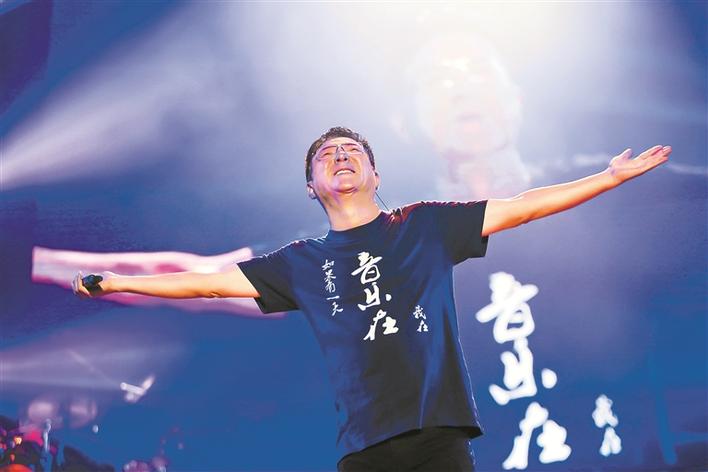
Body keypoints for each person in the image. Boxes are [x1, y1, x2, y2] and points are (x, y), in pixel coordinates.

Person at [72, 126, 671, 471]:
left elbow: (522, 208)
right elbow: (208, 281)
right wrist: (120, 281)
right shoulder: (301, 262)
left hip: (440, 434)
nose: (340, 157)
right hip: (364, 447)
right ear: (312, 187)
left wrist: (606, 178)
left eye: (352, 151)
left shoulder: (426, 225)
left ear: (375, 176)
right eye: (326, 156)